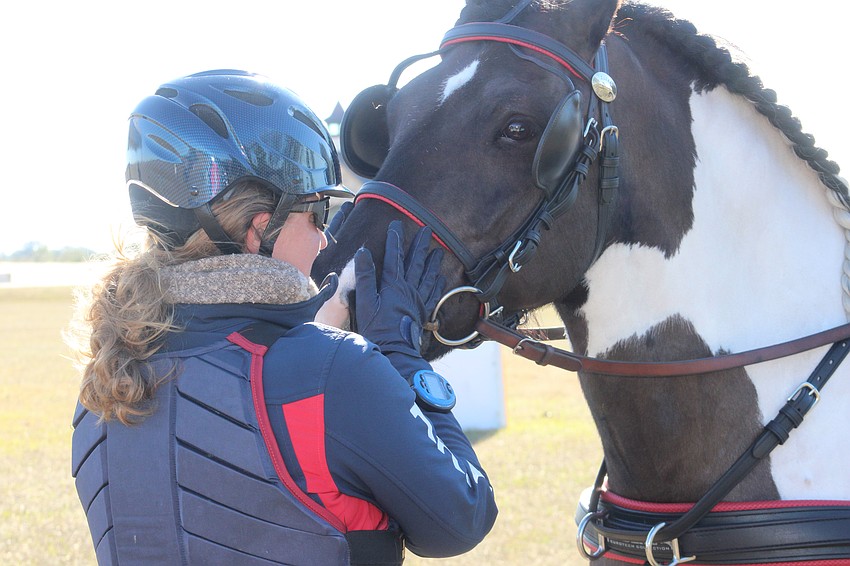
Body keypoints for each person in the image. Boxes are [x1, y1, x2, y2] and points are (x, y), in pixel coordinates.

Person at [69, 69, 497, 565]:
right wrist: (400, 356)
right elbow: (462, 518)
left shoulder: (104, 379)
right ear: (259, 229)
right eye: (315, 215)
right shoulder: (331, 370)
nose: (325, 239)